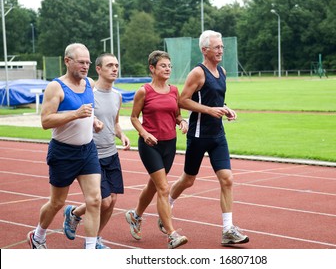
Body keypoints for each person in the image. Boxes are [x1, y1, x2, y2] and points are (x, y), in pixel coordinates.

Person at [166, 30, 249, 246]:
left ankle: (228, 230)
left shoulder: (221, 71)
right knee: (188, 180)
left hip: (217, 135)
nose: (221, 50)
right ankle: (166, 206)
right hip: (198, 134)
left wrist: (226, 110)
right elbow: (182, 101)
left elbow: (217, 100)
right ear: (205, 50)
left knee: (227, 179)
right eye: (217, 47)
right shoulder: (197, 73)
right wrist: (209, 110)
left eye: (222, 46)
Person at [27, 43, 103, 249]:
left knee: (95, 200)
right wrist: (76, 114)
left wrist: (93, 121)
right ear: (67, 61)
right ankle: (38, 235)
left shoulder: (89, 83)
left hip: (87, 150)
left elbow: (89, 111)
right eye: (81, 62)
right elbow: (46, 121)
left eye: (88, 62)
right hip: (63, 152)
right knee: (57, 202)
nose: (85, 66)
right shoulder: (56, 87)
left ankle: (90, 249)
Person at [62, 53, 130, 249]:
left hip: (111, 153)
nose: (114, 69)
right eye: (109, 65)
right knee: (104, 201)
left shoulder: (117, 95)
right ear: (98, 69)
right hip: (93, 154)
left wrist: (121, 135)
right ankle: (86, 236)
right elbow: (77, 117)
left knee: (113, 200)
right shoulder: (89, 93)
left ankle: (90, 231)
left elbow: (115, 123)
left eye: (116, 65)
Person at [124, 50, 188, 249]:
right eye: (163, 65)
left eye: (169, 66)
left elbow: (176, 114)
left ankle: (135, 216)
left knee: (153, 185)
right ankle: (171, 234)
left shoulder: (174, 91)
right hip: (150, 144)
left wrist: (182, 121)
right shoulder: (144, 91)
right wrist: (144, 134)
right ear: (152, 68)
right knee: (163, 188)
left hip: (170, 144)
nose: (168, 69)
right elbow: (134, 117)